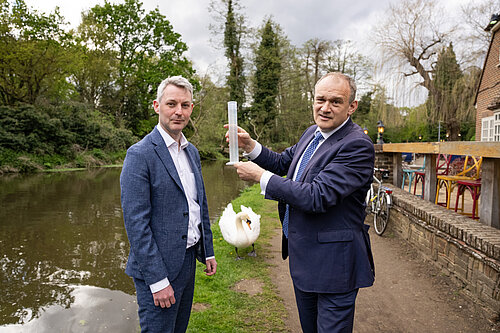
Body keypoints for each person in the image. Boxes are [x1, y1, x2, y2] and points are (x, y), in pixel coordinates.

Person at [228, 72, 375, 333]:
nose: (325, 108)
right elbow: (285, 163)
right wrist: (251, 146)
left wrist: (261, 178)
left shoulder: (357, 145)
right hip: (304, 258)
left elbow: (316, 196)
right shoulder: (313, 133)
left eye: (335, 101)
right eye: (320, 99)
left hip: (334, 267)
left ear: (352, 106)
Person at [121, 75, 217, 333]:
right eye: (171, 104)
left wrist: (207, 249)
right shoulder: (139, 154)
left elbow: (199, 204)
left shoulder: (191, 151)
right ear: (156, 106)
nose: (178, 111)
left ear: (192, 109)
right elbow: (136, 225)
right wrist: (157, 280)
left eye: (185, 105)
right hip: (159, 267)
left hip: (187, 260)